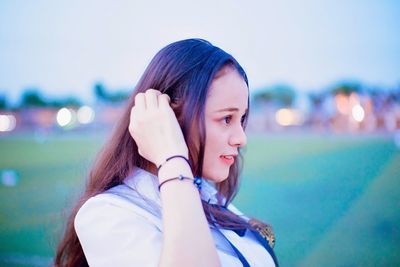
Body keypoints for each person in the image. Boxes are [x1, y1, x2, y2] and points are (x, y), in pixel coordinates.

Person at [55, 38, 278, 267]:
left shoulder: (204, 193)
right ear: (167, 117)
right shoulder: (106, 215)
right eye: (226, 119)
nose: (242, 138)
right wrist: (171, 157)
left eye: (241, 119)